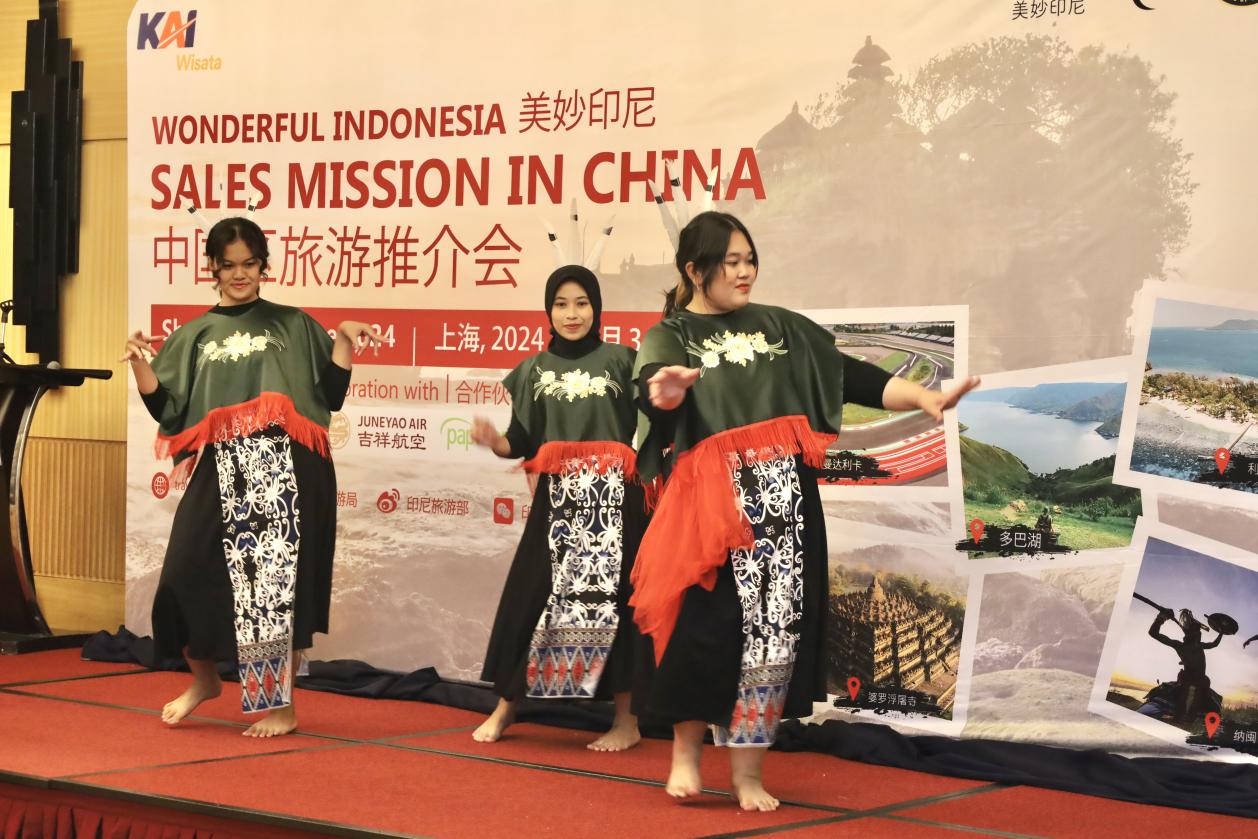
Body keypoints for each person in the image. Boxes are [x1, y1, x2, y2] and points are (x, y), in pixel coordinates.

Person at [630, 211, 979, 811]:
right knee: (702, 630)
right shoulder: (675, 334)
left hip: (782, 503)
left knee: (772, 633)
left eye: (749, 259)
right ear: (695, 270)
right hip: (710, 505)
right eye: (730, 262)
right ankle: (685, 755)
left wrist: (923, 396)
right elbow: (653, 385)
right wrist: (664, 392)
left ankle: (746, 773)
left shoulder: (784, 328)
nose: (744, 272)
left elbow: (847, 376)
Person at [122, 217, 382, 737]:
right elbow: (168, 411)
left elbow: (330, 396)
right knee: (181, 575)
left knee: (269, 589)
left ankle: (279, 706)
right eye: (229, 265)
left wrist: (346, 339)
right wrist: (139, 363)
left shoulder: (293, 323)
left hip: (289, 464)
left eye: (250, 264)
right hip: (224, 465)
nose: (240, 275)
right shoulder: (195, 333)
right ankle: (205, 680)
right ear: (212, 268)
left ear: (264, 265)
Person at [471, 265, 647, 751]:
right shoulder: (533, 370)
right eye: (561, 304)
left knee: (620, 605)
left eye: (582, 303)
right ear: (548, 311)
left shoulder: (624, 361)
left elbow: (658, 422)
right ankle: (507, 708)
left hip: (615, 498)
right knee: (532, 599)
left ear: (597, 308)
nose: (572, 314)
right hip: (558, 498)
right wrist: (495, 442)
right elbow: (522, 441)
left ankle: (627, 722)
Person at [1139, 608, 1223, 722]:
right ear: (1193, 634)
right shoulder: (1180, 646)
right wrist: (1161, 618)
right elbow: (1153, 633)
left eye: (1199, 632)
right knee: (1181, 712)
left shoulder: (1199, 645)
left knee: (1207, 709)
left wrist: (1222, 632)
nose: (1199, 634)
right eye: (1198, 632)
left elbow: (1214, 644)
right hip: (1186, 683)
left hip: (1201, 685)